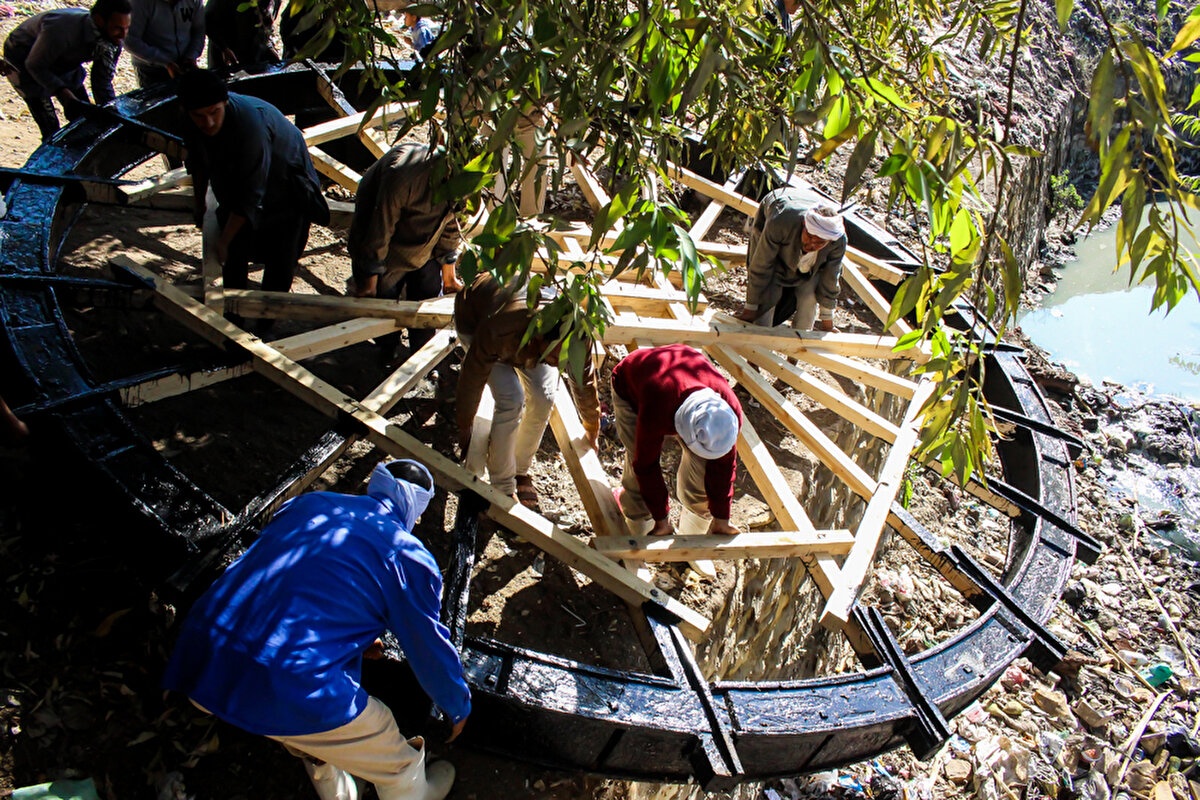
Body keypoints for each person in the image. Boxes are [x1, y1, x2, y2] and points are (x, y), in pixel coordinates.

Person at [163, 459, 469, 800]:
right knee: (385, 740)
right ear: (418, 508)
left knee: (314, 721)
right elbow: (426, 644)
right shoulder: (409, 557)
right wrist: (456, 704)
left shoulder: (309, 503)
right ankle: (414, 790)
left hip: (201, 656)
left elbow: (295, 580)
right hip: (285, 681)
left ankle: (333, 783)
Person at [178, 70, 328, 313]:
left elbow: (249, 195)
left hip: (287, 185)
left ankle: (266, 321)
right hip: (238, 179)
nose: (209, 123)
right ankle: (233, 314)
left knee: (280, 258)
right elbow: (198, 161)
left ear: (225, 102)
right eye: (200, 116)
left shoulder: (250, 127)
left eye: (215, 112)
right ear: (187, 111)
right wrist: (199, 203)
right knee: (233, 255)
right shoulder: (189, 119)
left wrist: (223, 240)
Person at [454, 273, 600, 509]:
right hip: (476, 324)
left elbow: (584, 382)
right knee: (512, 398)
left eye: (563, 360)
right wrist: (465, 423)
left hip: (524, 342)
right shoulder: (501, 329)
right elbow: (472, 375)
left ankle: (519, 469)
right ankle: (503, 485)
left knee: (544, 396)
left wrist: (592, 425)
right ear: (541, 337)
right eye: (555, 357)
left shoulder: (578, 338)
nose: (558, 364)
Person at [610, 344, 742, 549]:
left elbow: (724, 467)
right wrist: (661, 520)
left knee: (702, 483)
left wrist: (721, 518)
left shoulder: (729, 414)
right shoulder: (657, 407)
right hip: (633, 380)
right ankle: (639, 531)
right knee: (637, 468)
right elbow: (646, 466)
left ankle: (692, 543)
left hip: (684, 371)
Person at [349, 142, 463, 361]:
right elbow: (379, 231)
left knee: (427, 295)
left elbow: (453, 225)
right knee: (385, 299)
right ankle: (386, 351)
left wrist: (449, 275)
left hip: (426, 242)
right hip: (385, 237)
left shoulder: (467, 182)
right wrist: (369, 282)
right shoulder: (403, 176)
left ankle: (420, 356)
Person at [1, 0, 131, 142]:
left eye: (127, 28)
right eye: (118, 28)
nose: (123, 34)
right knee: (49, 124)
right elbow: (35, 65)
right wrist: (64, 94)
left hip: (65, 61)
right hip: (24, 58)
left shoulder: (113, 38)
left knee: (85, 118)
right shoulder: (61, 30)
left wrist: (111, 113)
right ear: (100, 21)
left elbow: (101, 82)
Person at [734, 188, 846, 333]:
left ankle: (801, 341)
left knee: (809, 297)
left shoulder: (837, 240)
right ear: (804, 226)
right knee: (766, 303)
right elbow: (761, 266)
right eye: (809, 237)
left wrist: (827, 323)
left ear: (829, 241)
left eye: (819, 243)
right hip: (780, 204)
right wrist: (750, 309)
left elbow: (830, 278)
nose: (811, 245)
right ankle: (759, 338)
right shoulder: (780, 222)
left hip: (804, 206)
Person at [124, 0, 204, 88]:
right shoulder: (139, 3)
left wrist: (191, 55)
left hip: (186, 65)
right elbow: (129, 40)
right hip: (151, 69)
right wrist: (165, 62)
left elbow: (199, 29)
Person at [203, 0, 278, 69]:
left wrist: (268, 45)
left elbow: (267, 22)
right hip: (227, 57)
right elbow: (207, 19)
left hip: (256, 55)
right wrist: (224, 48)